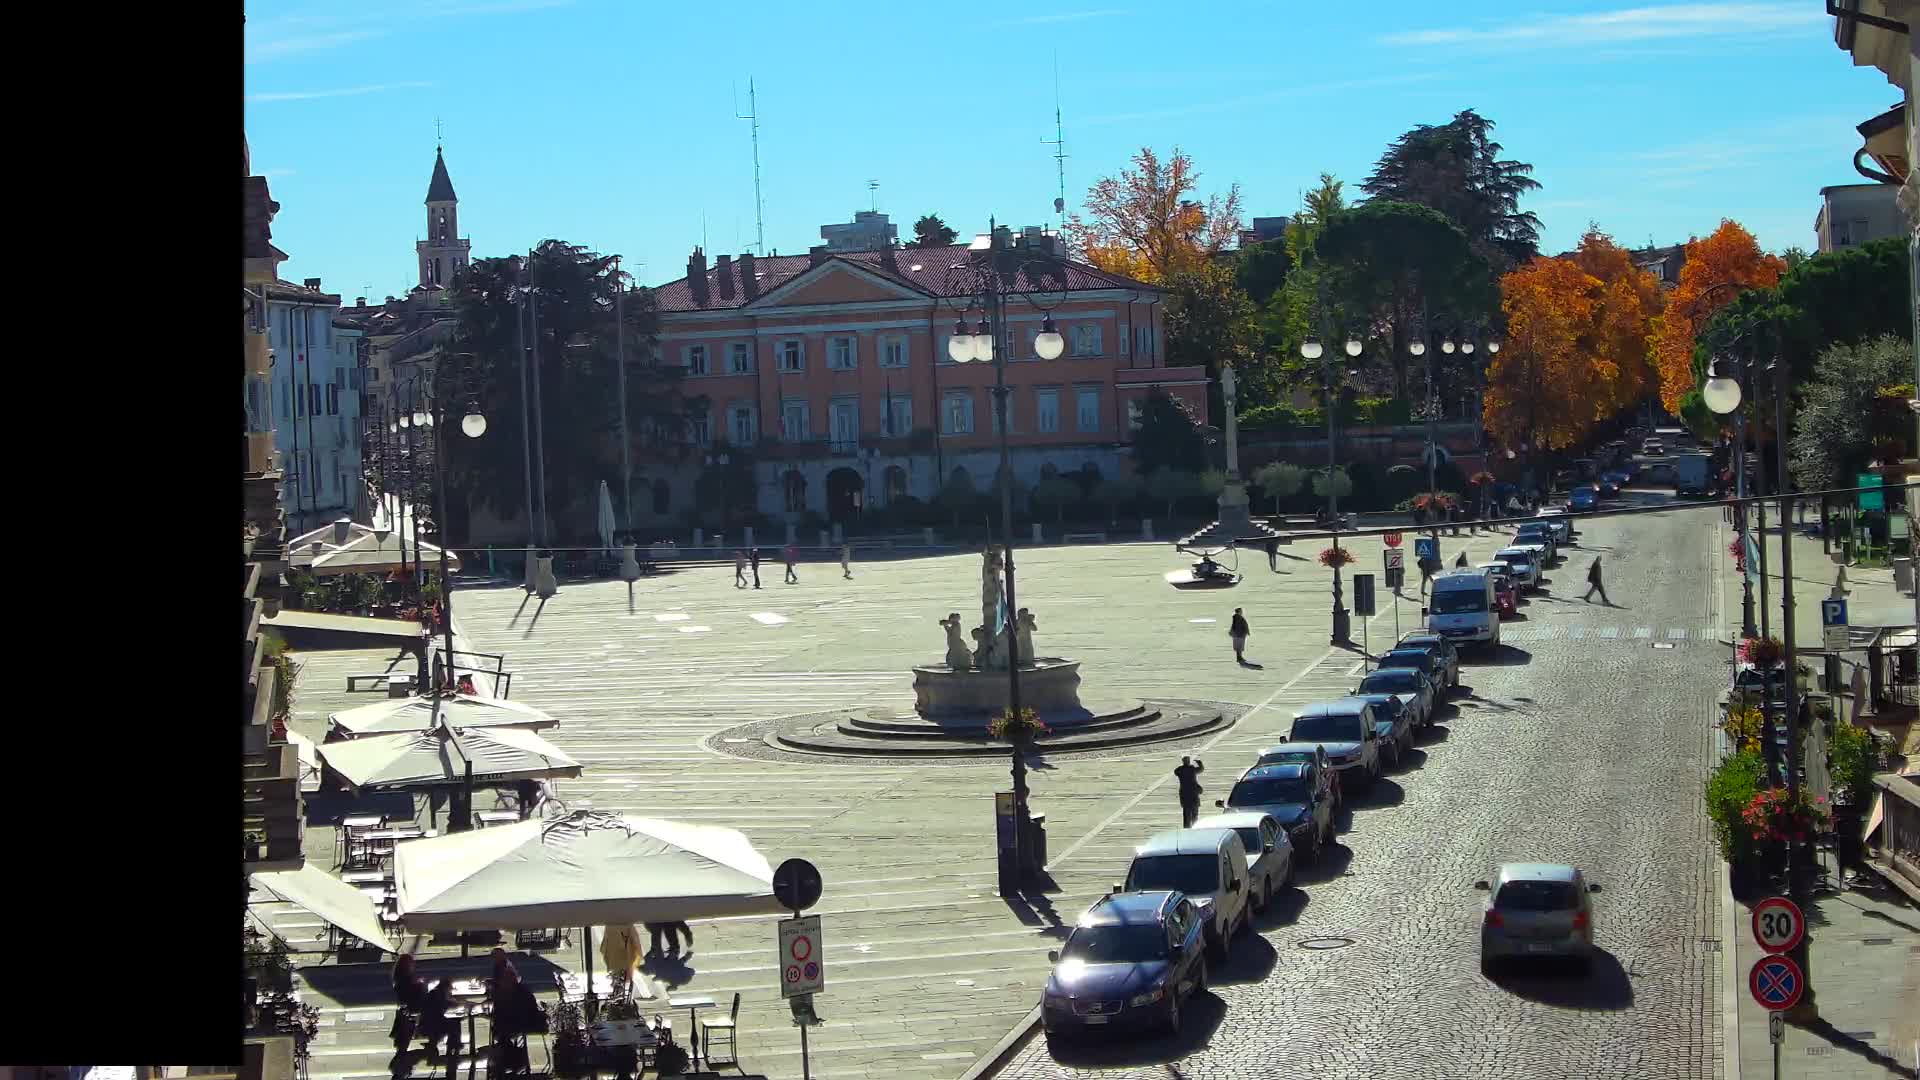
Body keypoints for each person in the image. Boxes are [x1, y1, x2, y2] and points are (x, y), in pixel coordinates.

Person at [1174, 756, 1205, 828]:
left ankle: (1187, 828)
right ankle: (1195, 827)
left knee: (1186, 814)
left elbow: (1176, 772)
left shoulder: (1179, 770)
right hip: (1193, 792)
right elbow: (1201, 769)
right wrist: (1200, 763)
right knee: (1195, 814)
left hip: (1184, 793)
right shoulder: (1192, 769)